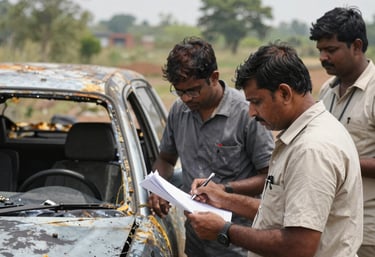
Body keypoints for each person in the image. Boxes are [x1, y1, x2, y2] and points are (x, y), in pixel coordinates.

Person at [185, 42, 363, 257]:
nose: (251, 112)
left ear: (285, 93)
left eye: (256, 102)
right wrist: (222, 198)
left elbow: (300, 246)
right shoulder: (304, 135)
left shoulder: (312, 149)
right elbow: (279, 213)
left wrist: (224, 230)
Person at [148, 36, 275, 257]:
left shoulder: (247, 113)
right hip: (196, 237)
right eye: (179, 92)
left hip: (238, 241)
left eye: (194, 90)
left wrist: (224, 190)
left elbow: (270, 177)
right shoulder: (179, 111)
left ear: (214, 77)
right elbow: (166, 159)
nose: (186, 98)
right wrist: (158, 187)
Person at [310, 7, 375, 257]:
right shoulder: (327, 89)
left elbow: (332, 156)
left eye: (331, 50)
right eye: (320, 51)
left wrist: (341, 161)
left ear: (356, 46)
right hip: (330, 225)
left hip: (368, 229)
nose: (323, 57)